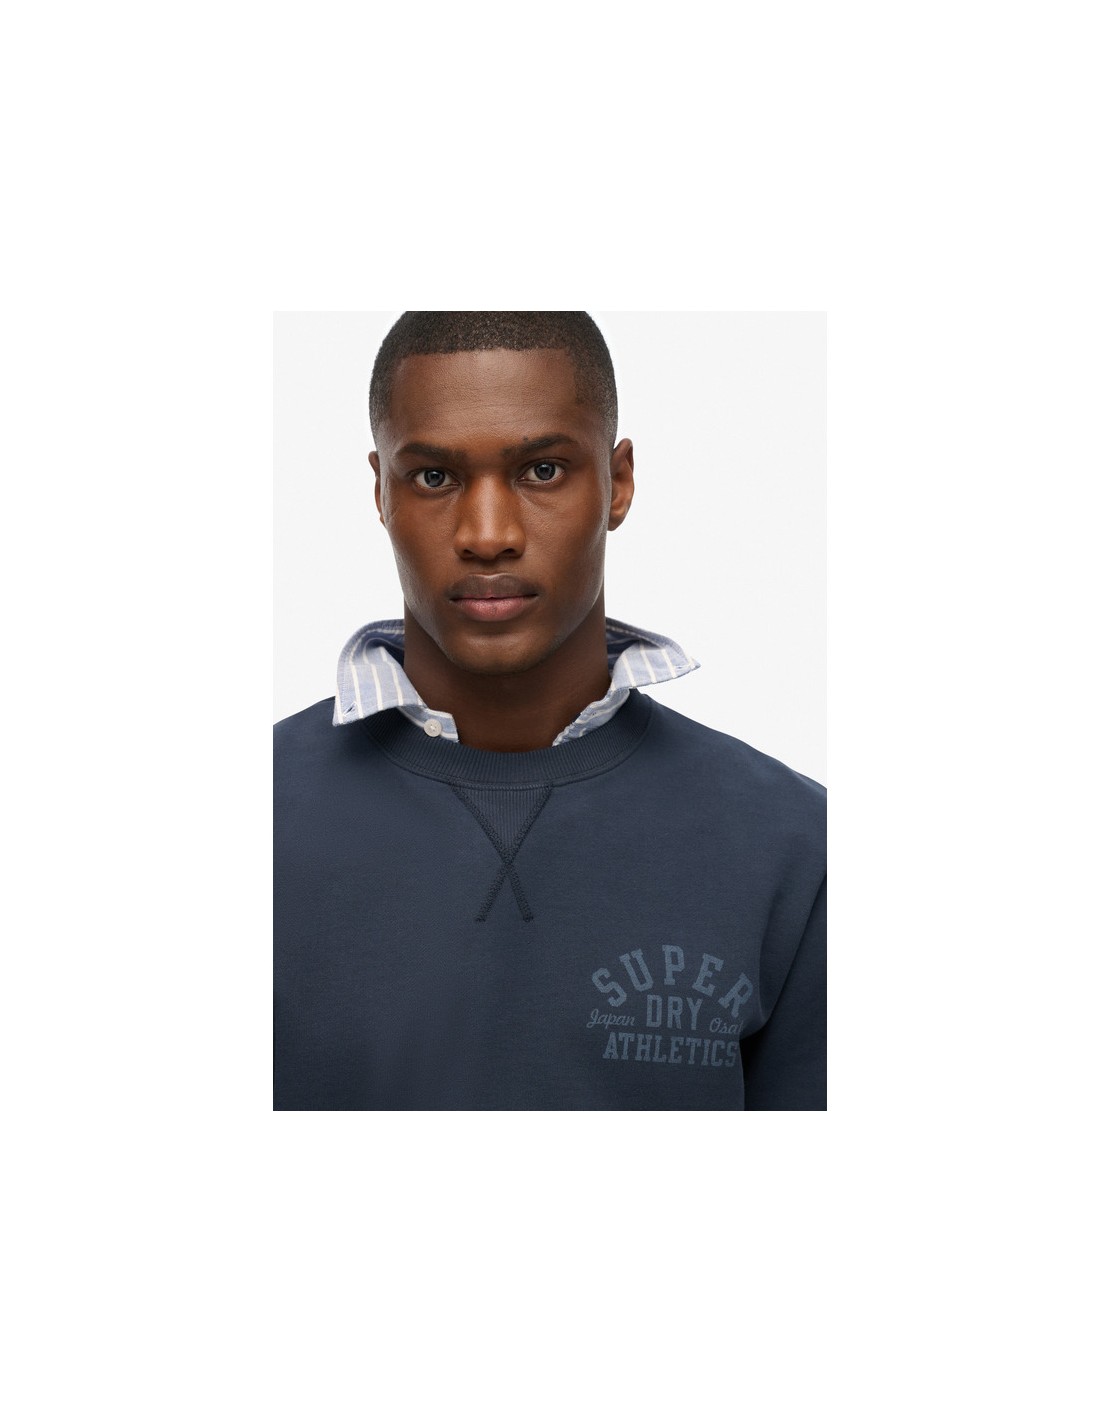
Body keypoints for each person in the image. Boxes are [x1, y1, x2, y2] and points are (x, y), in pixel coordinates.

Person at [274, 311, 825, 1110]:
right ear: (381, 492)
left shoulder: (798, 850)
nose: (488, 535)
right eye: (433, 478)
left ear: (618, 483)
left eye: (541, 470)